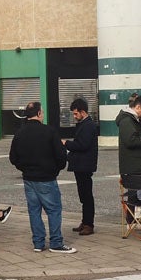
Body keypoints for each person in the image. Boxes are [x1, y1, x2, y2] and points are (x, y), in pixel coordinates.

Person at [8, 101, 73, 253]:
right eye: (42, 112)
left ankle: (38, 243)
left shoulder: (19, 133)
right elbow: (61, 155)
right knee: (54, 210)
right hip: (47, 177)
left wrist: (23, 167)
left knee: (34, 210)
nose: (43, 114)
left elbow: (13, 157)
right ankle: (56, 242)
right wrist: (56, 169)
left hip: (29, 178)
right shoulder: (49, 131)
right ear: (38, 114)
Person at [62, 98, 98, 235]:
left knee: (87, 195)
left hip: (85, 165)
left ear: (83, 112)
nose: (74, 116)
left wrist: (66, 143)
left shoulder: (88, 126)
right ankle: (85, 221)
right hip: (80, 165)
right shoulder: (84, 124)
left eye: (76, 114)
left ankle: (89, 223)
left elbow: (82, 145)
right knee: (83, 195)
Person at [116, 96, 141, 176]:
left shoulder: (133, 119)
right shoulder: (127, 120)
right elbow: (130, 141)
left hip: (137, 166)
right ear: (138, 107)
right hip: (134, 167)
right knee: (136, 188)